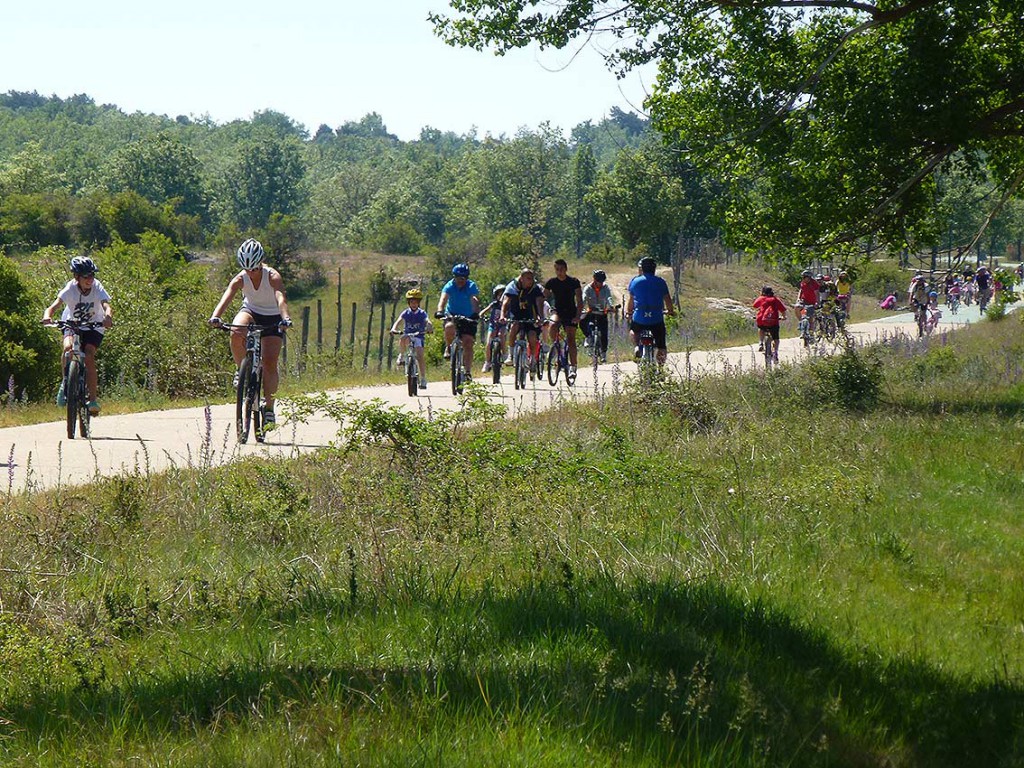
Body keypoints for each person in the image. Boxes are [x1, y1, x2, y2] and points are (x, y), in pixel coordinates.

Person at [209, 238, 292, 426]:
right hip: (251, 312)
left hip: (272, 317)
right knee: (237, 330)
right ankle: (242, 370)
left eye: (254, 268)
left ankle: (269, 408)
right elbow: (227, 297)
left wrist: (285, 318)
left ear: (261, 263)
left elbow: (281, 298)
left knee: (270, 363)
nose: (251, 273)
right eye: (247, 269)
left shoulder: (273, 276)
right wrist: (215, 316)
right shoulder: (240, 278)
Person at [41, 255, 113, 415]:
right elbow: (53, 306)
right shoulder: (70, 288)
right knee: (67, 348)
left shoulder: (97, 287)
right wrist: (47, 316)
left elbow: (106, 305)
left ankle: (93, 399)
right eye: (86, 276)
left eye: (92, 275)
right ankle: (66, 382)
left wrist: (108, 317)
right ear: (76, 277)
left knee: (88, 355)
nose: (90, 279)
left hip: (94, 325)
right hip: (72, 322)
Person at [436, 263, 481, 382]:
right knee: (449, 327)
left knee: (468, 342)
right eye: (458, 278)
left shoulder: (471, 286)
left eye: (463, 278)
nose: (460, 281)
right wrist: (440, 310)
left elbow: (474, 300)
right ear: (454, 277)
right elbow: (443, 299)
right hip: (452, 314)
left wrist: (476, 313)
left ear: (467, 278)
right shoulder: (449, 285)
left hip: (468, 316)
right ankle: (449, 347)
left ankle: (467, 372)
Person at [626, 257, 675, 365]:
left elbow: (631, 301)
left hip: (640, 317)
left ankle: (636, 347)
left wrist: (629, 313)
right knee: (661, 345)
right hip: (656, 318)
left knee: (634, 331)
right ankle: (661, 368)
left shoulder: (635, 281)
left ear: (642, 269)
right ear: (654, 269)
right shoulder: (660, 282)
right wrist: (670, 311)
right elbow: (667, 299)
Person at [543, 258, 584, 376]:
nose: (559, 272)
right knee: (553, 325)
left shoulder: (574, 282)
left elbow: (579, 300)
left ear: (566, 269)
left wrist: (577, 316)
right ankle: (557, 347)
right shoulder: (551, 282)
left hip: (571, 311)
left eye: (561, 269)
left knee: (571, 339)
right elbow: (542, 297)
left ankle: (573, 367)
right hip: (558, 311)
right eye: (557, 269)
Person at [500, 267, 546, 368]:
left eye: (532, 278)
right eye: (528, 278)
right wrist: (502, 315)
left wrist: (540, 317)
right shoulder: (512, 286)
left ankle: (533, 358)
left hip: (530, 313)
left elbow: (539, 303)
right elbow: (505, 301)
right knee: (514, 327)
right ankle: (511, 354)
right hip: (516, 313)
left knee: (532, 336)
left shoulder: (535, 288)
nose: (531, 281)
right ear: (521, 278)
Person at [391, 288, 433, 389]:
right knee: (403, 338)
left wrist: (429, 326)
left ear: (419, 303)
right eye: (412, 302)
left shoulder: (422, 313)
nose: (414, 304)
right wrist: (394, 329)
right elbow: (398, 321)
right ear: (409, 303)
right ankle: (401, 356)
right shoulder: (406, 313)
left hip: (419, 335)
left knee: (420, 356)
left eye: (416, 302)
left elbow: (427, 320)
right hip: (408, 334)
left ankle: (423, 379)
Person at [582, 269, 615, 363]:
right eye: (598, 282)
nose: (600, 284)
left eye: (602, 282)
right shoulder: (588, 288)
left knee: (604, 333)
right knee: (585, 323)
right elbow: (584, 298)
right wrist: (581, 307)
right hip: (591, 312)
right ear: (594, 280)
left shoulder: (606, 288)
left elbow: (609, 297)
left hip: (602, 313)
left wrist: (611, 306)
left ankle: (603, 353)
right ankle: (588, 337)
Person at [753, 286, 787, 363]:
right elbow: (783, 310)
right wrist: (784, 317)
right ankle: (775, 352)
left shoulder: (761, 298)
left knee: (761, 328)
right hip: (773, 322)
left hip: (762, 321)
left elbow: (755, 305)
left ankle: (761, 343)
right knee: (776, 338)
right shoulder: (775, 299)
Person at [481, 284, 507, 374]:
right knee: (488, 343)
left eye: (503, 295)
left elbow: (512, 314)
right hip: (493, 326)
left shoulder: (508, 305)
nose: (501, 297)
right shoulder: (494, 304)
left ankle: (504, 355)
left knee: (501, 336)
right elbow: (484, 311)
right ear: (496, 296)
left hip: (503, 326)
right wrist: (480, 315)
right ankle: (487, 362)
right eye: (499, 295)